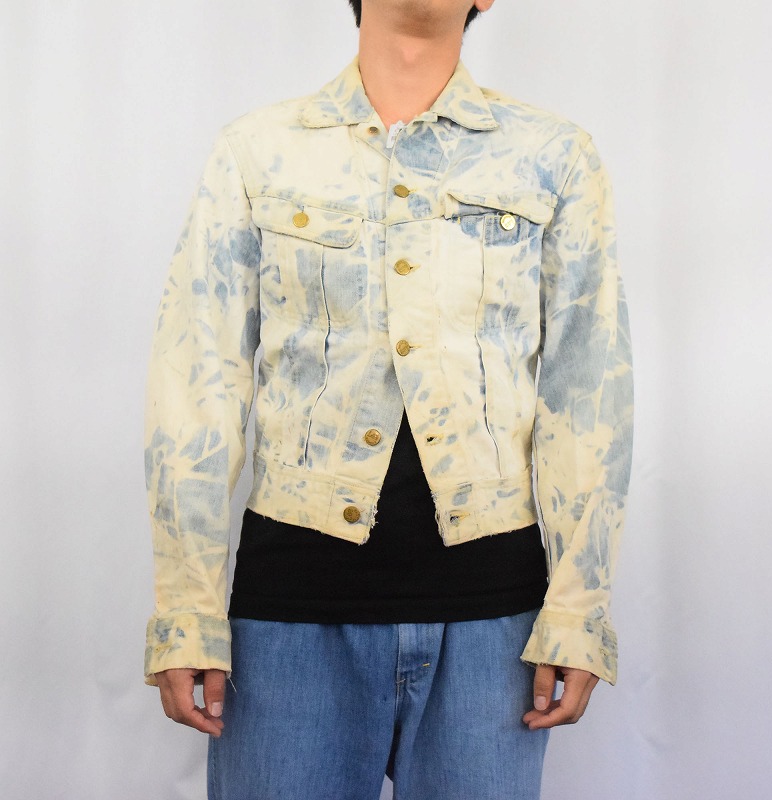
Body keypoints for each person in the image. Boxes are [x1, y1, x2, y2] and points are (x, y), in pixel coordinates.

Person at [143, 1, 634, 797]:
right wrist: (186, 608)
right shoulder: (258, 151)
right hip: (290, 617)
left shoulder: (553, 156)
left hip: (495, 624)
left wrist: (579, 611)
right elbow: (197, 384)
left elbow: (588, 391)